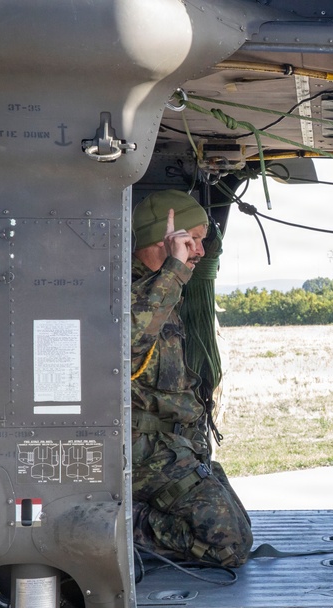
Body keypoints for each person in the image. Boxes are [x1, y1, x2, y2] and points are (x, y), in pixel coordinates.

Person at [130, 189, 252, 567]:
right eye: (193, 240)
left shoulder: (165, 291)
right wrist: (174, 270)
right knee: (227, 545)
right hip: (143, 452)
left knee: (240, 527)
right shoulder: (129, 290)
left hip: (173, 446)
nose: (199, 251)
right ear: (164, 239)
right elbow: (128, 341)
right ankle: (119, 524)